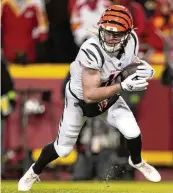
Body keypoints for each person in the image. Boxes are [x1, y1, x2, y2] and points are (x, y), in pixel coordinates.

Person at [18, 5, 161, 191]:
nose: (110, 38)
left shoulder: (132, 41)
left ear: (128, 34)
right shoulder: (91, 50)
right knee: (63, 149)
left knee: (132, 131)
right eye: (107, 32)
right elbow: (90, 94)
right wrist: (123, 86)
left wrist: (143, 68)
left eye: (116, 34)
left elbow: (128, 62)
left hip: (107, 92)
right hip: (80, 100)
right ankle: (33, 172)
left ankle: (137, 162)